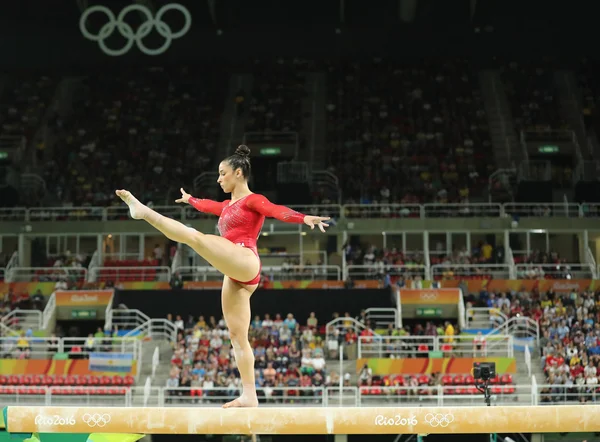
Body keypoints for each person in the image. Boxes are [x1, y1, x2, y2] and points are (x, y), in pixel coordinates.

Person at [115, 144, 330, 408]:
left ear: (238, 173)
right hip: (235, 274)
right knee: (237, 336)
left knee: (195, 237)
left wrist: (303, 218)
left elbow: (274, 209)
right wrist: (190, 200)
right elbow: (210, 206)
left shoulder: (253, 200)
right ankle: (250, 395)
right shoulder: (228, 205)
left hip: (245, 259)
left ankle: (143, 212)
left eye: (222, 173)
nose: (218, 179)